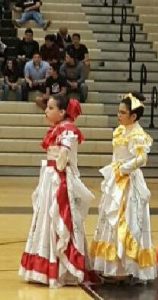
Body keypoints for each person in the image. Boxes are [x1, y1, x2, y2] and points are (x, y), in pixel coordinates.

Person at [19, 95, 95, 287]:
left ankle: (63, 268)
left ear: (62, 112)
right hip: (51, 177)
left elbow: (64, 159)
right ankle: (47, 267)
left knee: (58, 220)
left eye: (51, 108)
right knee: (46, 219)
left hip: (60, 180)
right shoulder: (58, 129)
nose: (46, 111)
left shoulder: (68, 130)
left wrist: (58, 161)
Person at [90, 92, 158, 284]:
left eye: (122, 112)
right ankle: (113, 267)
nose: (118, 115)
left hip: (129, 182)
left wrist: (124, 168)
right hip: (117, 178)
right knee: (110, 219)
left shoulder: (137, 134)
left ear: (133, 116)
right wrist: (114, 172)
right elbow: (116, 155)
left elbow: (142, 158)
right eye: (118, 112)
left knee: (128, 221)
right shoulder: (121, 130)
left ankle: (125, 268)